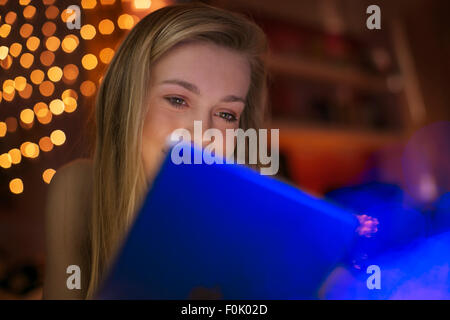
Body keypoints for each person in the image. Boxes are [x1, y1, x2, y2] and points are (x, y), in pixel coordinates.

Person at [43, 2, 269, 299]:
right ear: (130, 102)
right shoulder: (80, 189)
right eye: (177, 100)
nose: (202, 133)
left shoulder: (253, 224)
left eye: (226, 114)